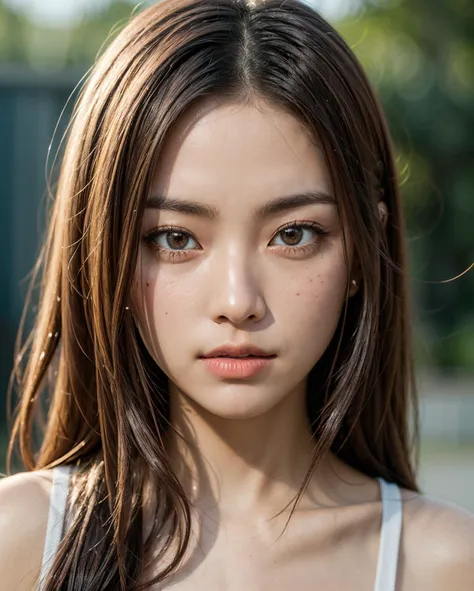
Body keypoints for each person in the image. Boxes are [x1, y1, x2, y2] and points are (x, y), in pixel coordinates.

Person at [0, 0, 473, 589]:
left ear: (363, 250)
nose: (237, 300)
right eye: (175, 238)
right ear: (106, 253)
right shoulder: (20, 542)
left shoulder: (441, 565)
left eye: (293, 235)